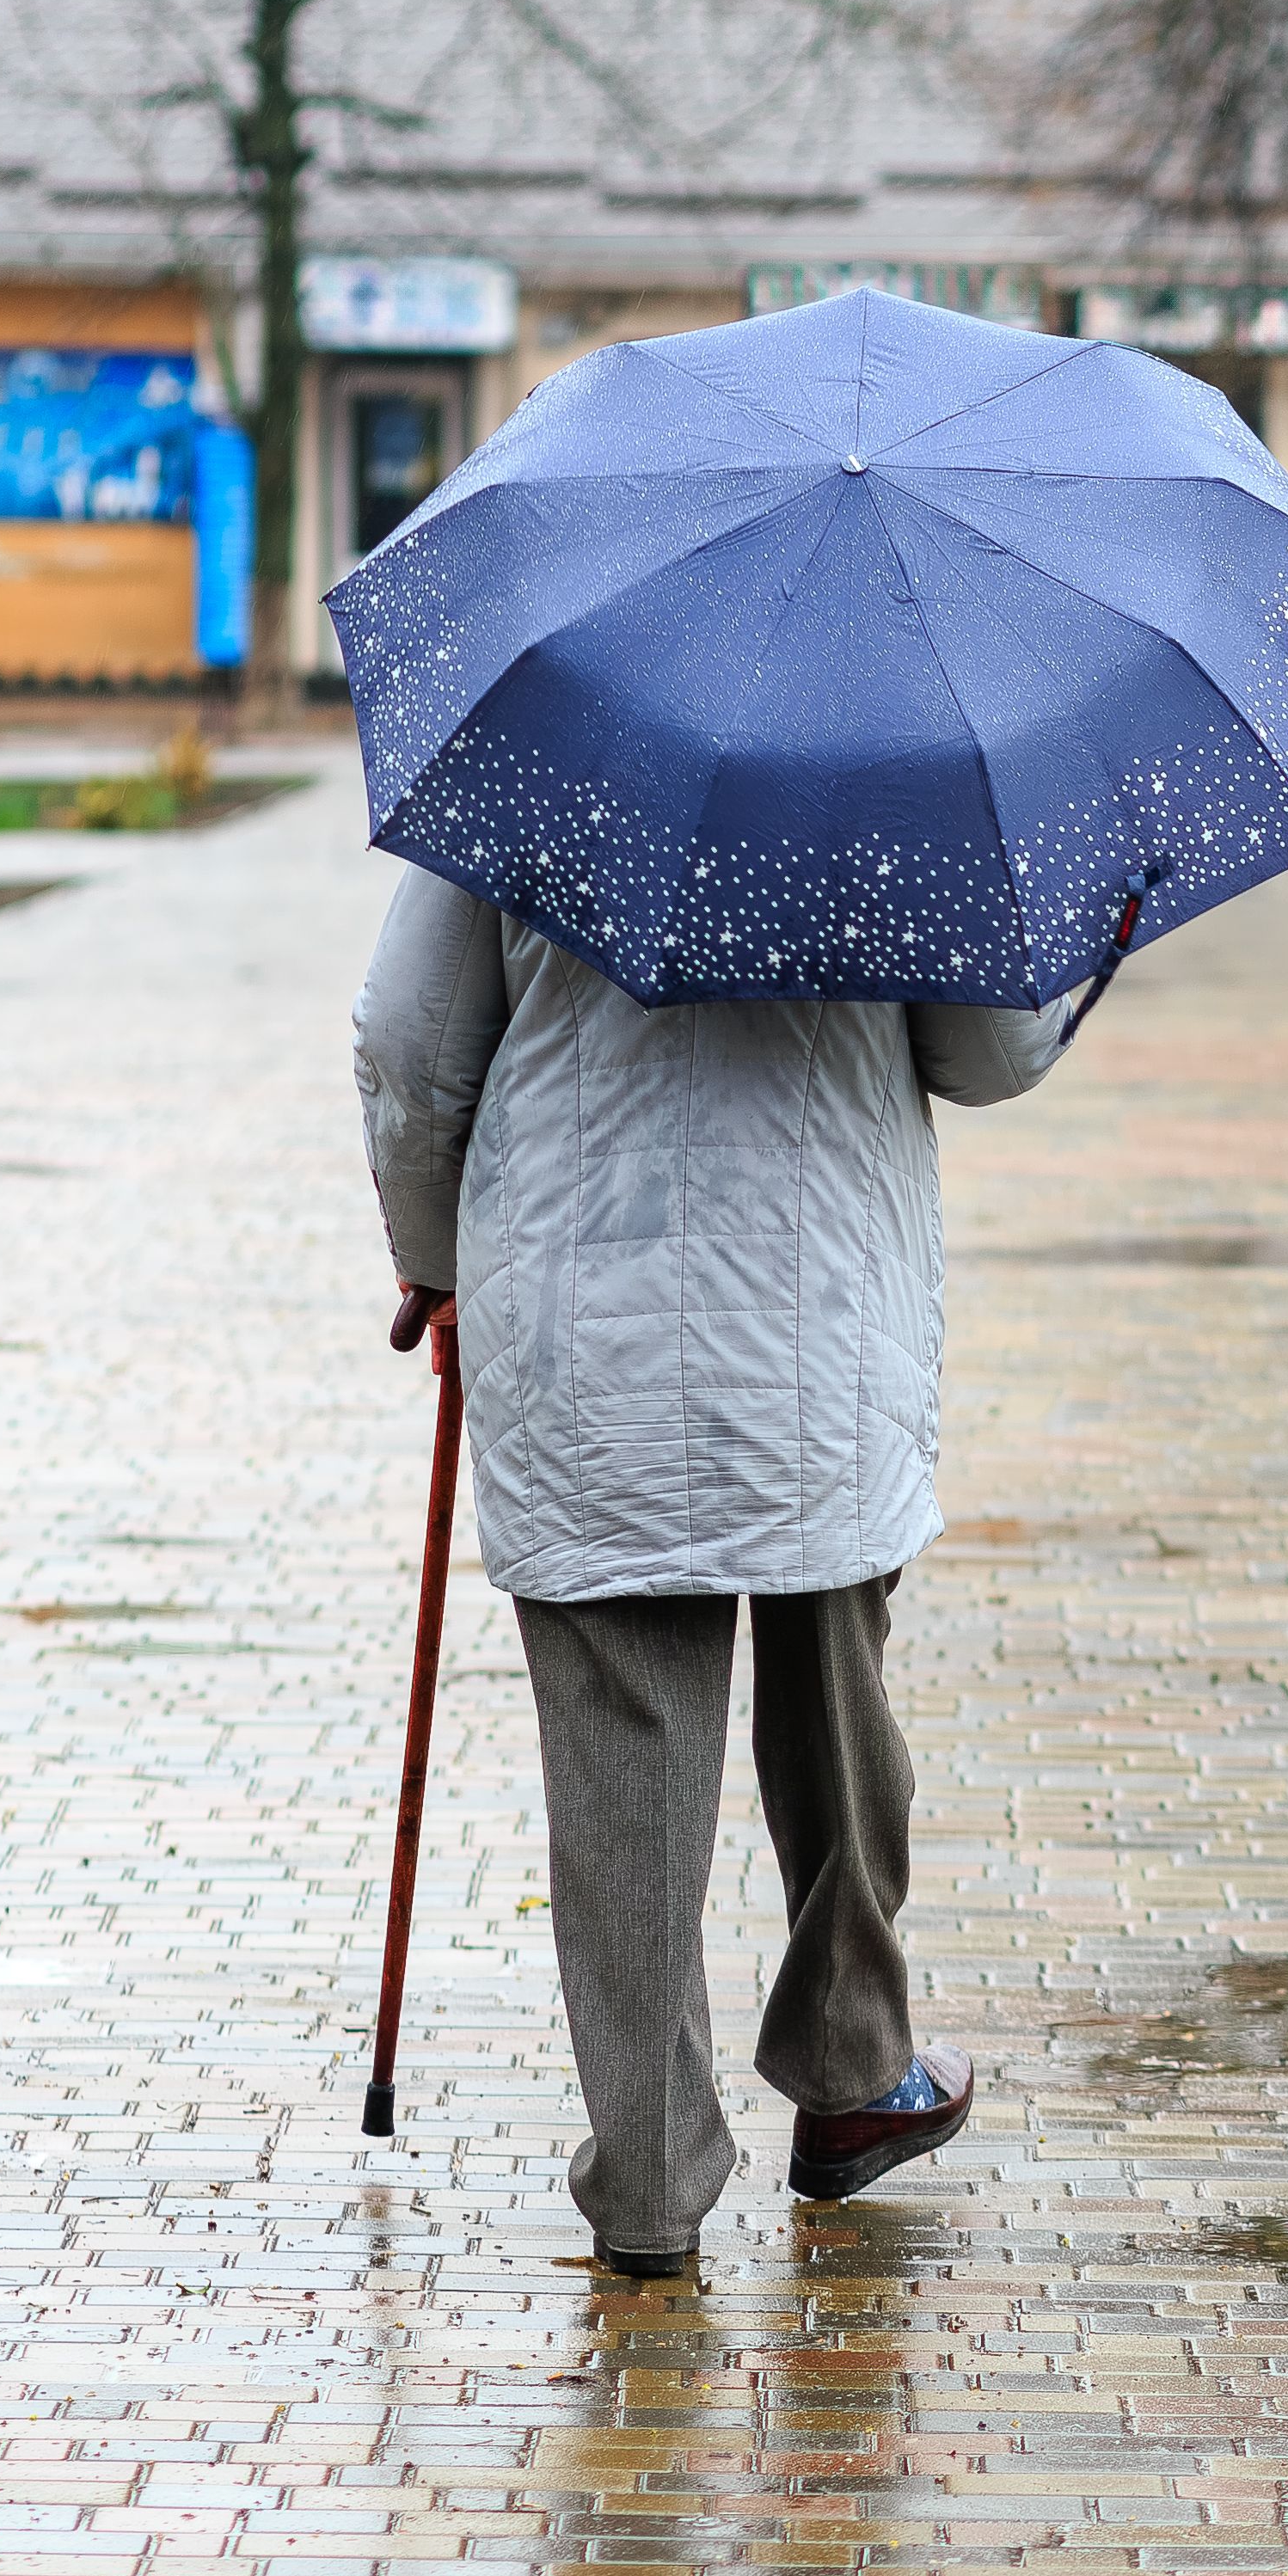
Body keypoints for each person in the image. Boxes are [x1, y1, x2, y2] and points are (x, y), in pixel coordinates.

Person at [354, 872, 1064, 2272]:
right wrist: (1061, 955)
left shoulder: (538, 744)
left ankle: (650, 2179)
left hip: (583, 1315)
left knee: (625, 1762)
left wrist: (433, 1261)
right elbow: (988, 1054)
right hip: (822, 1324)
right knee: (839, 1713)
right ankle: (855, 2076)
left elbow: (407, 1041)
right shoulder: (897, 771)